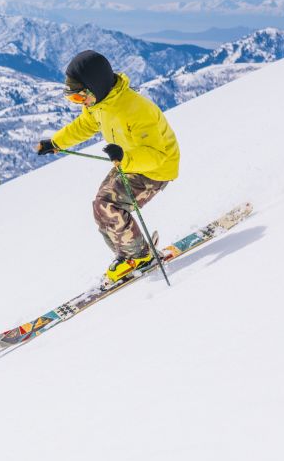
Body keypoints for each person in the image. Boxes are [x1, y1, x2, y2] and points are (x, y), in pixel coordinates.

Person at [36, 50, 180, 287]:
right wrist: (56, 142)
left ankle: (139, 256)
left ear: (95, 87)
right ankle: (129, 254)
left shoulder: (136, 110)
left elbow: (157, 155)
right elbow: (84, 125)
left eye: (80, 97)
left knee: (108, 205)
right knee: (101, 206)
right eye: (74, 100)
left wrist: (125, 157)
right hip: (128, 161)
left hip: (155, 168)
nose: (81, 103)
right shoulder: (100, 104)